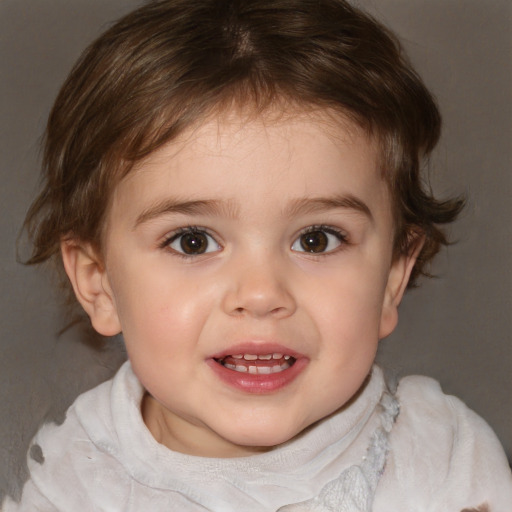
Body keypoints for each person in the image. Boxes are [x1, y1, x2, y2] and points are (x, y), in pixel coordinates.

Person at [3, 0, 511, 510]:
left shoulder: (444, 460)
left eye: (316, 239)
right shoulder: (74, 483)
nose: (262, 293)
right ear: (99, 283)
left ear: (392, 279)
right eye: (192, 241)